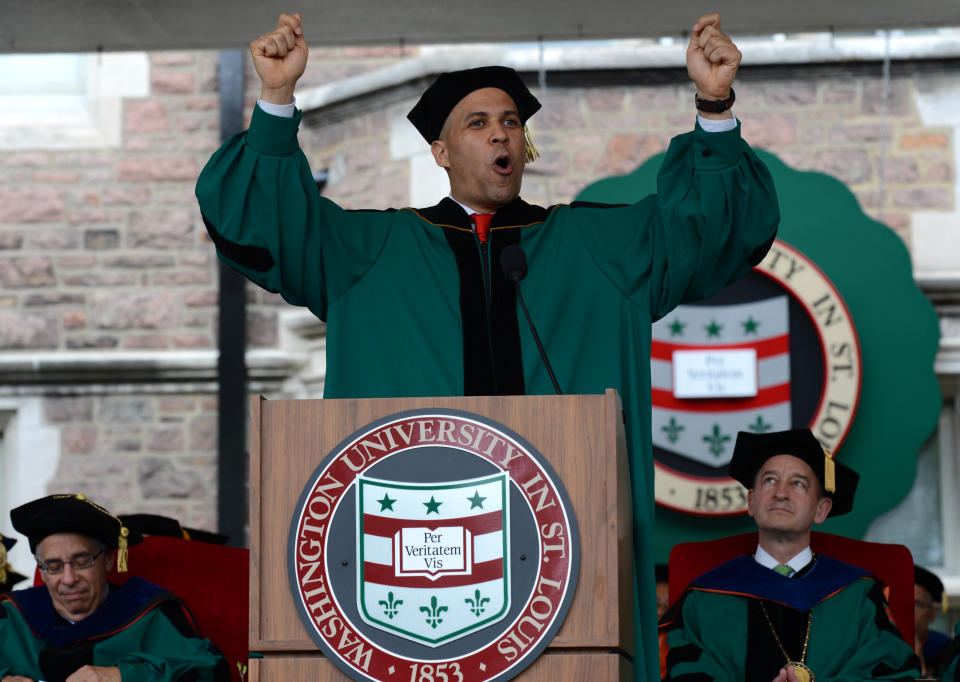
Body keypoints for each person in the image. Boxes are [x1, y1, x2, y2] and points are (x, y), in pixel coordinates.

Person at [195, 12, 779, 679]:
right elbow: (260, 221)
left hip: (568, 563)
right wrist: (274, 101)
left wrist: (714, 105)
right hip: (416, 562)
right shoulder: (371, 252)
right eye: (476, 123)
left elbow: (715, 227)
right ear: (441, 153)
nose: (500, 132)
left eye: (510, 121)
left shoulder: (597, 248)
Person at [659, 429, 920, 681]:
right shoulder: (705, 599)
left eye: (798, 483)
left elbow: (893, 672)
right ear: (751, 501)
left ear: (821, 509)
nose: (781, 493)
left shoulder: (859, 597)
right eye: (769, 480)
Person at [0, 494, 229, 682]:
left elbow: (208, 669)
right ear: (41, 570)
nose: (69, 579)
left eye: (82, 562)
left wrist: (122, 676)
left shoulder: (150, 615)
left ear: (108, 560)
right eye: (54, 566)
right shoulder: (11, 619)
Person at [915, 564, 951, 676]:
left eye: (916, 604)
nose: (906, 610)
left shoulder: (948, 651)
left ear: (933, 613)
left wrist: (919, 665)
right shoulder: (878, 646)